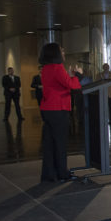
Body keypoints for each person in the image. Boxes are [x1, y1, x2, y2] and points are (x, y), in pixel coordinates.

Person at [38, 43, 82, 182]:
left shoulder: (46, 68)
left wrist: (69, 75)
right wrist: (78, 75)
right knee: (60, 143)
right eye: (62, 51)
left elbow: (61, 83)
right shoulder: (57, 68)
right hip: (58, 108)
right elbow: (72, 85)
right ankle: (62, 174)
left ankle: (50, 174)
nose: (63, 53)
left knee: (50, 144)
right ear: (55, 53)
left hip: (48, 108)